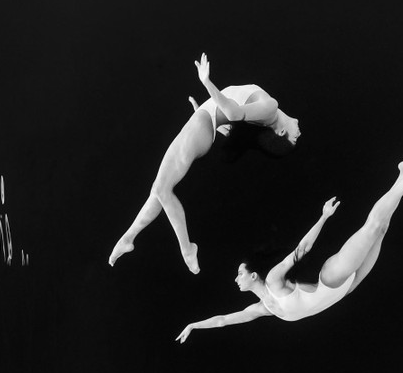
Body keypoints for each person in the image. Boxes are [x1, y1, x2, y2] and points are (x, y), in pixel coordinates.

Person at [175, 142, 403, 342]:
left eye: (239, 274)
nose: (236, 278)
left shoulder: (273, 279)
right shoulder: (263, 308)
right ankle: (402, 173)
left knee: (372, 228)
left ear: (254, 275)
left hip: (331, 279)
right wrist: (193, 326)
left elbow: (302, 250)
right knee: (382, 230)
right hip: (345, 290)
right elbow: (223, 321)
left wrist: (323, 217)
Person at [109, 53, 301, 274]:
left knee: (162, 189)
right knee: (158, 189)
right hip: (204, 122)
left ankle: (187, 248)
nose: (300, 133)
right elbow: (230, 118)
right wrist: (205, 108)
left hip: (202, 124)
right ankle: (128, 238)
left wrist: (207, 83)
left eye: (295, 138)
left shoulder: (271, 108)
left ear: (282, 132)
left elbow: (234, 112)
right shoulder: (266, 116)